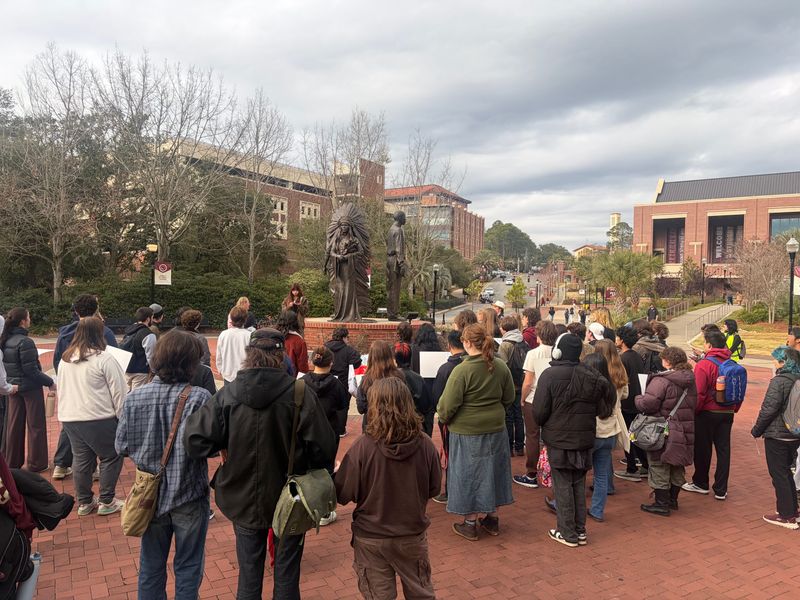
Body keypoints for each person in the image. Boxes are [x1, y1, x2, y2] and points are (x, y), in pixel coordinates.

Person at [185, 328, 336, 600]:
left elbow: (194, 440)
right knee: (287, 575)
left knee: (249, 575)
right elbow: (324, 447)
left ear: (249, 354)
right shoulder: (299, 393)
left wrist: (223, 446)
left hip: (241, 495)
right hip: (292, 495)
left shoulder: (228, 394)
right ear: (280, 355)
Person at [116, 330, 212, 599]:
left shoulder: (134, 398)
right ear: (190, 362)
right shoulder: (199, 398)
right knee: (189, 564)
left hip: (149, 496)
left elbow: (121, 446)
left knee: (151, 564)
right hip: (189, 493)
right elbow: (210, 448)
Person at [335, 377, 440, 600]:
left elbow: (344, 493)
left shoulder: (362, 447)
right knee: (421, 594)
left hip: (372, 536)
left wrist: (338, 472)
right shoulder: (425, 445)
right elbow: (434, 489)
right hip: (411, 533)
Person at [437, 323, 515, 541]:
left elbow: (446, 407)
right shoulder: (499, 366)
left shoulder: (462, 370)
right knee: (493, 472)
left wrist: (445, 419)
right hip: (496, 429)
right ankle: (492, 518)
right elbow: (509, 397)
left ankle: (470, 523)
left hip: (467, 431)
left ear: (467, 342)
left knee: (469, 475)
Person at [533, 333, 611, 547]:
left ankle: (567, 533)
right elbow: (604, 406)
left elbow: (539, 413)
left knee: (563, 485)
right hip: (584, 438)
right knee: (578, 482)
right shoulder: (591, 375)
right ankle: (579, 530)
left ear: (557, 351)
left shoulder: (549, 375)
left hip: (559, 439)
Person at [57, 317, 126, 516]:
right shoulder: (104, 358)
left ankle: (85, 502)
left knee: (81, 460)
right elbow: (119, 392)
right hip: (98, 416)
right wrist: (122, 419)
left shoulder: (66, 358)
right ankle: (106, 499)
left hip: (71, 416)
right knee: (111, 456)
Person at [52, 294, 119, 481]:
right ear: (96, 309)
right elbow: (116, 360)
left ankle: (61, 463)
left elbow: (58, 360)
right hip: (97, 388)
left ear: (75, 311)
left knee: (72, 428)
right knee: (97, 433)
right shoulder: (104, 332)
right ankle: (96, 475)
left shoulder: (65, 332)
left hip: (71, 387)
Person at [635, 347, 697, 516]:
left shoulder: (662, 380)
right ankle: (672, 500)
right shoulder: (691, 380)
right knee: (676, 463)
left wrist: (638, 398)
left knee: (659, 463)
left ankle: (661, 503)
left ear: (667, 361)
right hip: (684, 428)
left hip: (664, 427)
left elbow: (647, 403)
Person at [682, 329, 736, 500]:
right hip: (727, 411)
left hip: (707, 412)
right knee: (723, 450)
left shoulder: (704, 365)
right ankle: (721, 489)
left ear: (709, 345)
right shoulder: (732, 363)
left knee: (703, 449)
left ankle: (700, 482)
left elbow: (699, 393)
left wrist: (695, 411)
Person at [751, 346, 800, 529]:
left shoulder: (779, 381)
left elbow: (768, 409)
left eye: (776, 359)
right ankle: (793, 510)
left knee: (779, 474)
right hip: (795, 434)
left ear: (783, 362)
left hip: (777, 434)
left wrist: (757, 430)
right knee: (786, 472)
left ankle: (786, 515)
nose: (773, 362)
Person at [1, 307, 54, 472]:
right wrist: (49, 381)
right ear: (23, 321)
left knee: (13, 425)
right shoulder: (26, 342)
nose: (30, 320)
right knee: (35, 426)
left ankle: (12, 461)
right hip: (30, 388)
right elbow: (31, 370)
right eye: (29, 317)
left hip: (13, 388)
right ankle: (37, 463)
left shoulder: (5, 339)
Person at [513, 320, 559, 489]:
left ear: (539, 335)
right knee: (551, 436)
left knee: (532, 436)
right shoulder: (557, 352)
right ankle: (552, 470)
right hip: (553, 400)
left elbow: (528, 381)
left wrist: (522, 398)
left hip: (534, 398)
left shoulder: (533, 354)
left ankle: (531, 473)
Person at [591, 339, 630, 518]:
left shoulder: (593, 375)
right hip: (612, 426)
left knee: (577, 472)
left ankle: (568, 504)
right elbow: (626, 394)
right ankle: (597, 510)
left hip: (594, 427)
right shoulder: (619, 371)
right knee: (602, 469)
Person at [303, 346, 351, 473]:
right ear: (331, 363)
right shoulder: (337, 386)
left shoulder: (301, 383)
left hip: (305, 434)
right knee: (326, 470)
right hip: (329, 434)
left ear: (312, 362)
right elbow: (342, 409)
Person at [431, 330, 466, 503]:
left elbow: (437, 396)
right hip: (470, 420)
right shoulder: (476, 365)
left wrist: (442, 415)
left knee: (451, 454)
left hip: (451, 420)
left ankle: (451, 491)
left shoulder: (446, 368)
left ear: (450, 345)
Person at [614, 326, 649, 482]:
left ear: (621, 340)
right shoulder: (636, 356)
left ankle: (632, 468)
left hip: (627, 403)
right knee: (636, 435)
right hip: (638, 400)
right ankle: (645, 465)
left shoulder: (623, 359)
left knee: (629, 436)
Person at [356, 341, 406, 431]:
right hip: (395, 424)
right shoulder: (400, 376)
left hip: (372, 425)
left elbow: (361, 407)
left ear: (371, 357)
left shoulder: (366, 380)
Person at [498, 316, 528, 457]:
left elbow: (502, 366)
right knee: (519, 417)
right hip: (521, 383)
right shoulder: (523, 341)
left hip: (510, 385)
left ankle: (509, 447)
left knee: (508, 417)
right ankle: (520, 447)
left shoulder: (505, 344)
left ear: (504, 329)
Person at [325, 327, 361, 437]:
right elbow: (357, 362)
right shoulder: (349, 350)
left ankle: (327, 427)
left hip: (327, 380)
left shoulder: (325, 347)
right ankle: (340, 430)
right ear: (344, 337)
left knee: (327, 403)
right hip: (343, 382)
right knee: (343, 405)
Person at [394, 343, 435, 436]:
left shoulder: (390, 378)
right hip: (414, 427)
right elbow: (426, 407)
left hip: (394, 427)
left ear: (395, 359)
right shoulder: (418, 379)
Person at [121, 307, 157, 391]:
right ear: (148, 319)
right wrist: (153, 371)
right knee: (136, 396)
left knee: (126, 396)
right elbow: (151, 355)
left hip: (126, 369)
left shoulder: (129, 331)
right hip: (140, 372)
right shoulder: (148, 334)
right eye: (152, 317)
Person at [216, 306, 252, 384]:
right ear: (245, 319)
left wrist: (220, 369)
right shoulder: (249, 335)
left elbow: (219, 355)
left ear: (231, 319)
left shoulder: (223, 334)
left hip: (228, 375)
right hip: (245, 375)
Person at [386, 211, 407, 321]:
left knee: (391, 288)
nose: (406, 219)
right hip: (395, 261)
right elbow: (399, 249)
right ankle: (393, 314)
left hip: (389, 260)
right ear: (400, 218)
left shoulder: (390, 229)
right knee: (395, 288)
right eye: (404, 217)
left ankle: (391, 313)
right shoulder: (398, 230)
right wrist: (402, 264)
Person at [276, 310, 309, 374]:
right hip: (291, 379)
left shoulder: (273, 337)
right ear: (295, 322)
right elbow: (302, 366)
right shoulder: (298, 341)